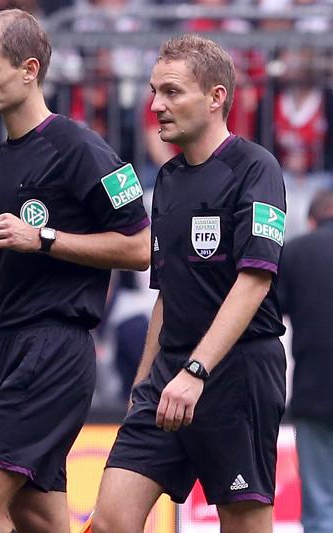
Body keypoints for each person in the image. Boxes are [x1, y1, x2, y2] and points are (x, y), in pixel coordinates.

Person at [0, 9, 151, 532]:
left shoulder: (82, 149)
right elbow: (2, 275)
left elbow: (141, 246)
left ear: (28, 69)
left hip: (54, 352)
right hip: (7, 352)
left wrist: (44, 238)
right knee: (34, 516)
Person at [92, 34, 287, 533]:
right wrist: (143, 383)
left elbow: (254, 281)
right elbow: (167, 294)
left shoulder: (256, 168)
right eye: (155, 91)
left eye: (172, 92)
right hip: (169, 376)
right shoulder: (170, 179)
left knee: (243, 524)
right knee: (114, 518)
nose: (156, 105)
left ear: (217, 96)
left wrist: (197, 370)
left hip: (237, 371)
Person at [278, 189, 333, 533]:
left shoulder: (296, 252)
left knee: (319, 508)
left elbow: (270, 313)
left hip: (313, 391)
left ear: (312, 220)